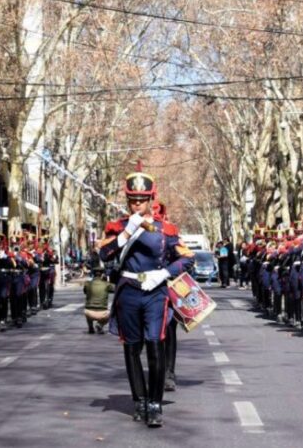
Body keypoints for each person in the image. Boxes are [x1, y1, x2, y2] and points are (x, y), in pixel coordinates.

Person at [99, 164, 194, 428]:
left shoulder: (167, 230)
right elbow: (102, 255)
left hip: (155, 291)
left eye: (142, 200)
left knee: (155, 344)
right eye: (132, 200)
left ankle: (155, 402)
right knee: (131, 348)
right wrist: (127, 232)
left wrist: (164, 273)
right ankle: (138, 400)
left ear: (151, 199)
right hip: (128, 291)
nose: (137, 205)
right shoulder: (117, 227)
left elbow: (188, 259)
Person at [83, 264, 113, 334]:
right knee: (112, 313)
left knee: (88, 309)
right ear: (102, 274)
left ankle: (90, 326)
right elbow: (114, 289)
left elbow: (85, 291)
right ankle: (100, 324)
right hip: (102, 314)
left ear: (93, 274)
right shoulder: (107, 284)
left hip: (89, 312)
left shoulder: (87, 284)